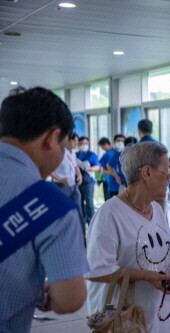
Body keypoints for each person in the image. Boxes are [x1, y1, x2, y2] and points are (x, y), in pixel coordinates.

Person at [0, 87, 89, 332]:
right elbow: (70, 299)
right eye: (63, 146)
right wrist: (40, 292)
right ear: (51, 138)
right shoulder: (51, 205)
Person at [86, 142, 170, 332]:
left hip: (156, 314)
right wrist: (147, 276)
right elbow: (98, 270)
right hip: (123, 318)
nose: (169, 178)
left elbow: (165, 250)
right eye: (165, 171)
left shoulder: (157, 209)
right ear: (147, 173)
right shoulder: (110, 214)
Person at [51, 132, 85, 234]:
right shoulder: (58, 153)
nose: (76, 144)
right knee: (62, 211)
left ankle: (80, 233)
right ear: (67, 140)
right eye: (74, 141)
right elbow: (50, 170)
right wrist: (61, 179)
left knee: (78, 209)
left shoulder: (72, 153)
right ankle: (62, 234)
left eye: (77, 142)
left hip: (73, 185)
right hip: (60, 185)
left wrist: (79, 175)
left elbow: (75, 167)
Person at [76, 136, 99, 225]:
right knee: (79, 201)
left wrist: (88, 169)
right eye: (82, 143)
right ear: (78, 144)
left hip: (88, 181)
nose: (83, 145)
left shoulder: (91, 155)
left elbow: (97, 167)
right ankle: (82, 220)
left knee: (89, 201)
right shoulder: (75, 155)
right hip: (77, 181)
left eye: (85, 143)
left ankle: (91, 221)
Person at [100, 134, 125, 198]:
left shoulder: (128, 153)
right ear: (114, 142)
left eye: (122, 141)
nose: (120, 143)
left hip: (126, 185)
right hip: (113, 185)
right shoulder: (108, 154)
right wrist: (114, 174)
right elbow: (102, 170)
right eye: (118, 141)